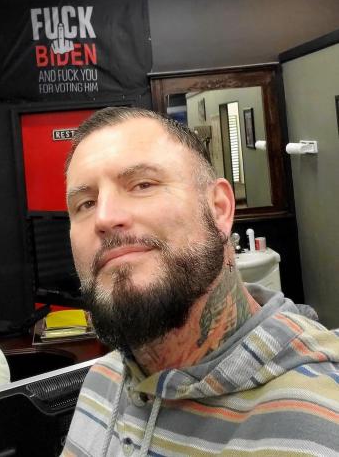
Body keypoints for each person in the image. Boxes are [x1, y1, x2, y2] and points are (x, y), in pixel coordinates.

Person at [62, 107, 339, 457]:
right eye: (85, 204)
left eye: (142, 184)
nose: (103, 217)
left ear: (219, 208)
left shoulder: (321, 423)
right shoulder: (101, 381)